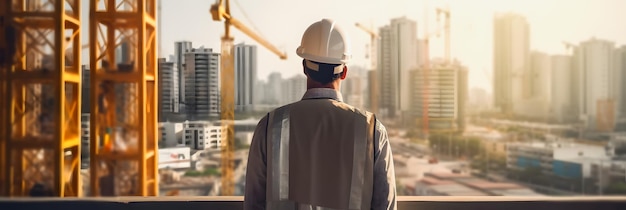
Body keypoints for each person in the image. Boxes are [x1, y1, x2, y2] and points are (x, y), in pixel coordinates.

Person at [244, 19, 396, 210]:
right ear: (344, 72)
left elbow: (253, 204)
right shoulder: (372, 129)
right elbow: (385, 205)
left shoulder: (270, 125)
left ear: (304, 67)